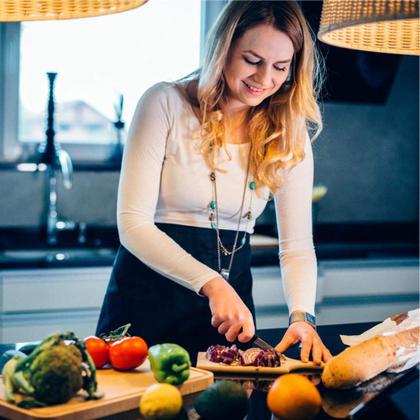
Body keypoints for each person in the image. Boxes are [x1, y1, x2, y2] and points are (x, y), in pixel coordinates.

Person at [96, 0, 332, 365]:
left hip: (228, 318)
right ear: (223, 48)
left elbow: (297, 246)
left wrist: (302, 317)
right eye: (252, 60)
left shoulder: (289, 131)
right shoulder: (165, 102)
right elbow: (133, 225)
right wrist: (214, 284)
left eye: (280, 67)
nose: (264, 78)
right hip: (144, 303)